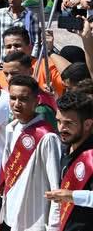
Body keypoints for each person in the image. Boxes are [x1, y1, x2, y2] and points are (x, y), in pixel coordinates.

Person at [0, 75, 60, 231]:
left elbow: (56, 188)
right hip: (10, 215)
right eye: (13, 98)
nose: (17, 104)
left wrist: (54, 226)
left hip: (33, 220)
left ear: (37, 101)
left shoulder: (47, 137)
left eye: (23, 99)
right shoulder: (11, 128)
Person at [44, 91, 93, 231]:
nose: (61, 128)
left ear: (88, 124)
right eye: (58, 121)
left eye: (68, 123)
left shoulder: (91, 155)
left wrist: (71, 196)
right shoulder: (65, 147)